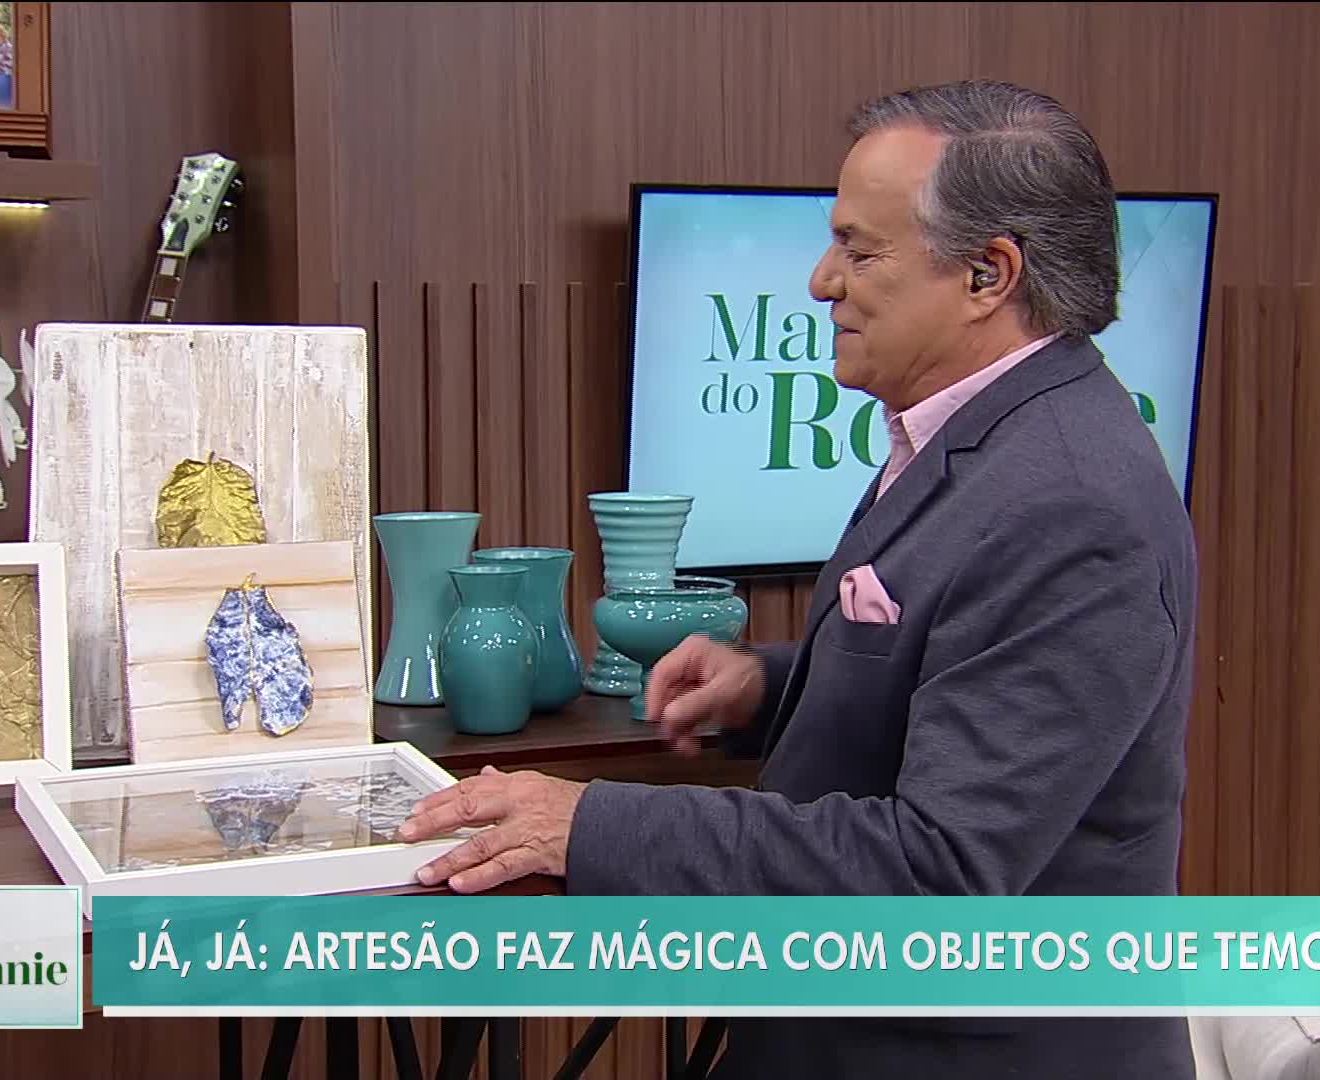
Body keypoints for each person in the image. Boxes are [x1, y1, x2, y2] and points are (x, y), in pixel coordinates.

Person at [398, 79, 1198, 1079]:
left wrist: (590, 822)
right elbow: (960, 668)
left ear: (988, 274)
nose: (822, 282)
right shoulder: (978, 437)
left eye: (859, 251)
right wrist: (771, 685)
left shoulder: (1071, 503)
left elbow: (935, 876)